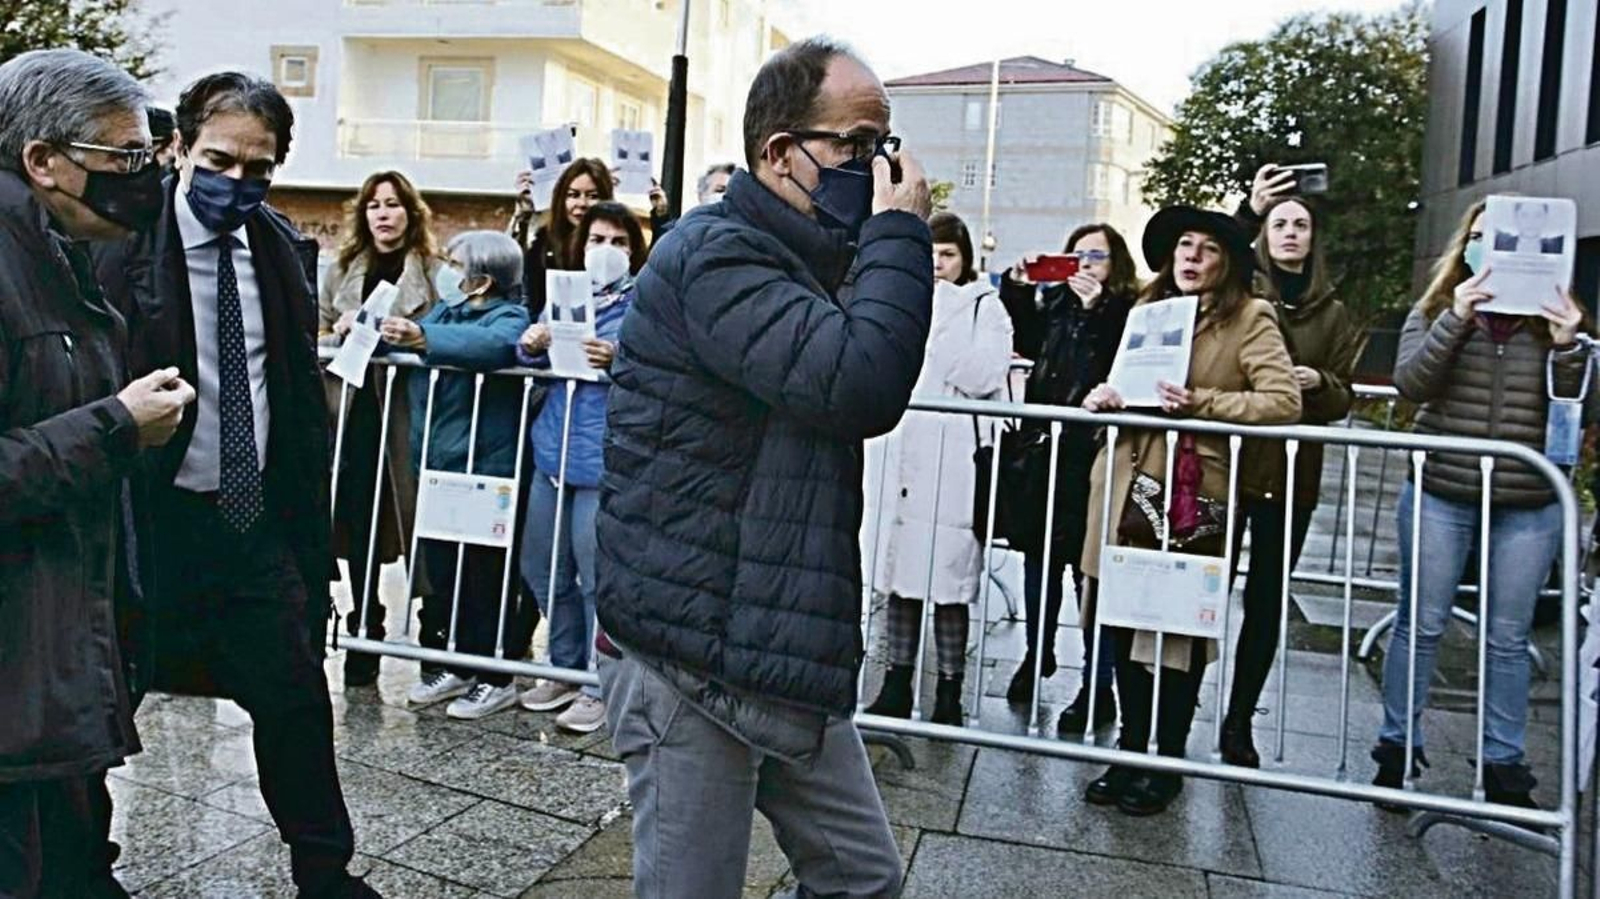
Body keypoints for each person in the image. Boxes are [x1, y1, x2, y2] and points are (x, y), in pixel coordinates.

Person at [595, 37, 933, 897]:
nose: (879, 167)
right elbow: (858, 383)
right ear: (779, 153)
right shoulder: (717, 254)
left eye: (884, 147)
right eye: (857, 147)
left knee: (862, 878)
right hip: (689, 653)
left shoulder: (809, 255)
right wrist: (899, 235)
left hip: (776, 643)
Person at [109, 71, 380, 898]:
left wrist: (312, 548)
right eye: (219, 161)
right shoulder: (119, 245)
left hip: (249, 522)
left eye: (257, 169)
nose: (237, 183)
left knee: (296, 700)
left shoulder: (280, 248)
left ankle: (326, 871)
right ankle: (84, 862)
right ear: (180, 148)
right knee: (104, 702)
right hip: (147, 521)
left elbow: (296, 404)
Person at [0, 48, 194, 899]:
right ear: (43, 160)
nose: (141, 178)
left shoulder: (62, 255)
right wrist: (117, 425)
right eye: (121, 159)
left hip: (54, 670)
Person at [1078, 205, 1300, 816]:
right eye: (1184, 246)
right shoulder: (1149, 312)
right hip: (1127, 480)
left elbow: (1282, 402)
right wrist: (1106, 397)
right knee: (1123, 620)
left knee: (1177, 629)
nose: (1192, 257)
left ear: (1226, 261)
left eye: (1206, 248)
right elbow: (1129, 383)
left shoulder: (1252, 318)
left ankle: (1167, 760)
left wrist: (1202, 403)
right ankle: (1129, 750)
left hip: (1191, 493)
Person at [1371, 200, 1590, 809]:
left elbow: (1578, 416)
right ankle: (1397, 747)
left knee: (1509, 636)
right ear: (1464, 247)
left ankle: (1503, 762)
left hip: (1528, 501)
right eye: (1480, 237)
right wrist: (1458, 320)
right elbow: (1412, 384)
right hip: (1443, 490)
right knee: (1421, 624)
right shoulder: (1437, 308)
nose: (1493, 248)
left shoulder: (1558, 320)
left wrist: (1569, 346)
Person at [1217, 191, 1364, 767]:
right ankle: (1172, 706)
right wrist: (1247, 210)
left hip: (1290, 475)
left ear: (1312, 238)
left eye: (1301, 225)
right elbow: (1218, 250)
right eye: (1280, 223)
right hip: (1225, 465)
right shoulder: (1244, 293)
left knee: (1266, 599)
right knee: (1206, 586)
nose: (1291, 233)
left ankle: (1238, 719)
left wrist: (1317, 382)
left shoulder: (1334, 313)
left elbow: (1345, 393)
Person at [864, 211, 1012, 725]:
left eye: (947, 255)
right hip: (902, 457)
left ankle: (950, 687)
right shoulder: (893, 299)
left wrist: (937, 318)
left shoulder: (984, 308)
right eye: (927, 256)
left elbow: (983, 373)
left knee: (950, 584)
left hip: (953, 464)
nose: (936, 266)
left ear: (964, 257)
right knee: (899, 580)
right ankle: (896, 680)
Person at [996, 224, 1138, 733]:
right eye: (1076, 255)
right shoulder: (1053, 303)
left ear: (1115, 261)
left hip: (1095, 455)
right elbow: (1023, 337)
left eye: (1096, 255)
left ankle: (1096, 685)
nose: (1085, 264)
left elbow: (1122, 360)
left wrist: (1097, 308)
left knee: (1090, 575)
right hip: (1043, 450)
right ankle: (1037, 653)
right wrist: (1016, 285)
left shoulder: (1124, 309)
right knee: (1038, 561)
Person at [383, 231, 531, 718]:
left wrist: (424, 340)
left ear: (483, 280)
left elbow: (496, 345)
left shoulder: (508, 315)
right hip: (441, 467)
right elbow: (416, 326)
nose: (445, 268)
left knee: (484, 577)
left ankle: (495, 675)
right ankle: (458, 663)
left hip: (485, 471)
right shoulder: (446, 311)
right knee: (444, 572)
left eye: (454, 262)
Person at [515, 201, 644, 733]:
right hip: (553, 451)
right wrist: (530, 345)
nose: (606, 251)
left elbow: (659, 364)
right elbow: (533, 361)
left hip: (603, 458)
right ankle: (564, 666)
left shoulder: (642, 304)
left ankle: (600, 681)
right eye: (596, 240)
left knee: (596, 576)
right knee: (542, 565)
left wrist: (619, 358)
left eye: (618, 242)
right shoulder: (564, 298)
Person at [318, 170, 442, 686]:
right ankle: (364, 619)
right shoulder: (344, 268)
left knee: (419, 522)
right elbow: (318, 324)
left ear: (410, 213)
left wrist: (416, 334)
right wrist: (338, 327)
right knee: (356, 514)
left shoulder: (435, 271)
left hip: (409, 412)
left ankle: (434, 629)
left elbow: (452, 327)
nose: (383, 214)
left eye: (393, 204)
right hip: (353, 408)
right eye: (373, 205)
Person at [509, 157, 612, 318]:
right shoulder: (544, 240)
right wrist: (523, 217)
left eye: (592, 196)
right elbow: (513, 278)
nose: (582, 203)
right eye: (573, 195)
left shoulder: (616, 244)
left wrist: (659, 216)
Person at [648, 162, 738, 238]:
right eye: (720, 190)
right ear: (701, 195)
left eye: (731, 192)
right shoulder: (683, 233)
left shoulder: (743, 234)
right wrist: (661, 214)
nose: (726, 196)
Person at [1494, 201, 1563, 254]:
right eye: (1524, 215)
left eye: (1538, 215)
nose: (1531, 222)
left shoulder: (1556, 248)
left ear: (1545, 218)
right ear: (1516, 217)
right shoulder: (1500, 245)